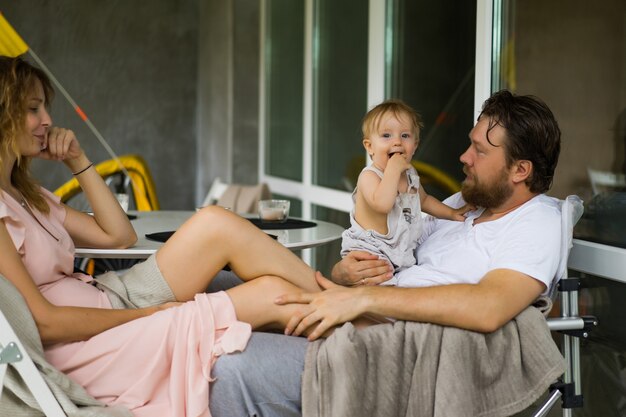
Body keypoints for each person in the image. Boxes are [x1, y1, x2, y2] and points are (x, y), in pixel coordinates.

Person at [0, 55, 326, 416]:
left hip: (113, 298)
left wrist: (78, 160)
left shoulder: (26, 195)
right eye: (33, 108)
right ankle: (370, 331)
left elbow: (118, 237)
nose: (47, 120)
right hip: (89, 347)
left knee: (216, 223)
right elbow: (44, 323)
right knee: (271, 294)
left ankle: (349, 300)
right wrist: (151, 316)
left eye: (45, 106)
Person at [209, 89, 563, 416]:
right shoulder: (462, 206)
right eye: (470, 145)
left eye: (480, 151)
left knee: (226, 364)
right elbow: (388, 247)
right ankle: (166, 324)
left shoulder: (538, 221)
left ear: (521, 170)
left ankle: (168, 327)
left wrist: (365, 299)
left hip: (384, 339)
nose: (463, 157)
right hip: (361, 310)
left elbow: (489, 306)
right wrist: (345, 274)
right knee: (218, 275)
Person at [341, 99, 472, 279]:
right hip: (369, 254)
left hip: (400, 254)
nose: (397, 142)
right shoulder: (369, 176)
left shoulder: (410, 173)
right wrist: (393, 170)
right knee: (377, 296)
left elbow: (424, 200)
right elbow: (383, 204)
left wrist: (451, 213)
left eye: (405, 136)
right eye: (386, 136)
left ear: (415, 146)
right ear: (369, 147)